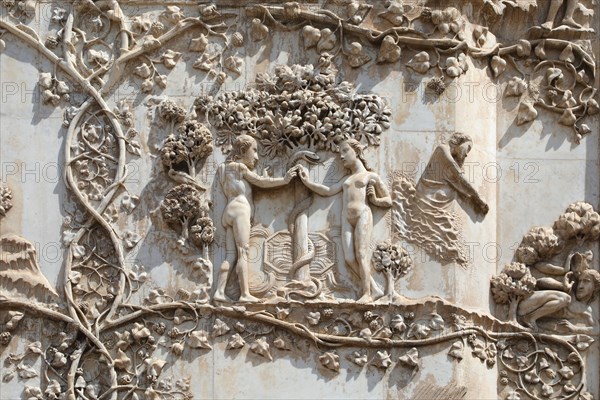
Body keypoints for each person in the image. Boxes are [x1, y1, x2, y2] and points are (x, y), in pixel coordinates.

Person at [298, 139, 392, 303]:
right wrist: (307, 182)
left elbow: (388, 201)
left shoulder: (371, 176)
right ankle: (374, 289)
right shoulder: (346, 180)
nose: (341, 156)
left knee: (361, 254)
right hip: (346, 218)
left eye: (345, 151)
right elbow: (327, 191)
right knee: (349, 258)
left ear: (356, 151)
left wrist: (375, 200)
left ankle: (367, 294)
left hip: (362, 214)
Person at [214, 135, 298, 303]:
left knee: (231, 256)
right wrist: (285, 179)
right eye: (254, 150)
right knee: (244, 252)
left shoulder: (223, 169)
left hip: (228, 211)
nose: (257, 156)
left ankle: (219, 292)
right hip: (240, 211)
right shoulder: (240, 168)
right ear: (243, 150)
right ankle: (245, 294)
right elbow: (262, 182)